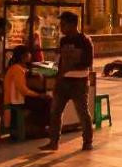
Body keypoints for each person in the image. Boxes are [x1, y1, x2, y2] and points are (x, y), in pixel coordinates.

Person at [39, 11, 94, 152]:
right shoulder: (63, 40)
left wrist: (70, 67)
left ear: (72, 25)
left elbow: (88, 62)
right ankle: (53, 141)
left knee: (82, 112)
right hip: (63, 81)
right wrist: (57, 72)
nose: (61, 27)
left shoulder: (85, 41)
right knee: (55, 112)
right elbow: (60, 59)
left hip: (79, 82)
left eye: (63, 24)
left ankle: (87, 141)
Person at [3, 45, 48, 138]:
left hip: (18, 98)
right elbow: (23, 90)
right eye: (29, 53)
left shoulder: (18, 68)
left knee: (44, 101)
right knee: (46, 103)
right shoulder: (17, 69)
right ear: (24, 56)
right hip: (16, 100)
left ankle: (38, 128)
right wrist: (38, 95)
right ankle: (38, 129)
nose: (31, 55)